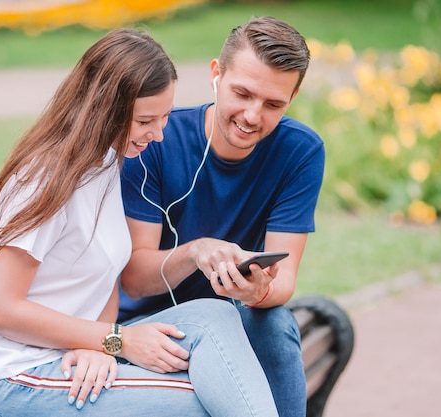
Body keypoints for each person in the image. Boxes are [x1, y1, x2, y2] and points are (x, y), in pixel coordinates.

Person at [0, 28, 279, 417]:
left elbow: (105, 275)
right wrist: (115, 340)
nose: (158, 135)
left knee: (216, 315)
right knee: (203, 404)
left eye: (163, 119)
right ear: (103, 108)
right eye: (145, 121)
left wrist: (99, 344)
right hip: (5, 379)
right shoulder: (41, 179)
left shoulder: (105, 162)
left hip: (64, 356)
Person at [119, 16, 324, 417]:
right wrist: (195, 252)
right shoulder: (157, 140)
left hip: (234, 321)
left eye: (273, 104)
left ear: (293, 98)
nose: (252, 116)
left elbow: (284, 283)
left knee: (274, 323)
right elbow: (135, 279)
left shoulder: (300, 152)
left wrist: (257, 292)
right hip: (150, 324)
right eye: (242, 94)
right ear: (216, 74)